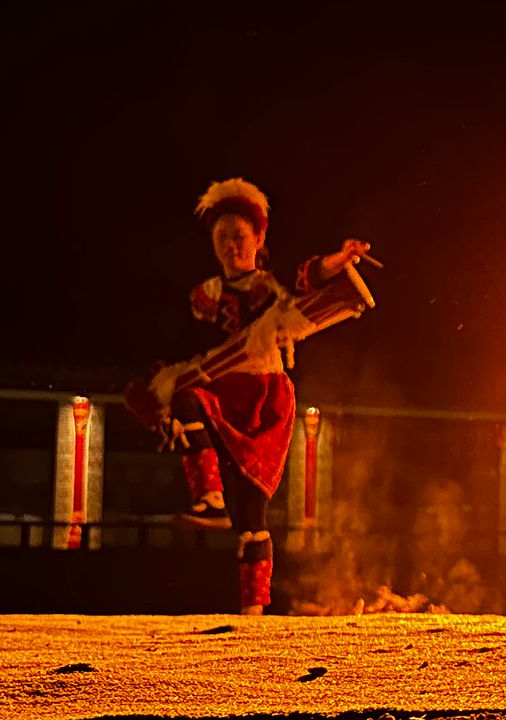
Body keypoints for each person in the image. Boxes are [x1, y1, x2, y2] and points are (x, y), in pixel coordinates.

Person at [148, 179, 371, 614]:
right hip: (221, 393)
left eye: (239, 237)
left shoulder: (272, 287)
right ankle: (211, 500)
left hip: (265, 399)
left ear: (258, 240)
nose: (231, 246)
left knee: (253, 513)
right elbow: (188, 350)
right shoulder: (204, 296)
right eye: (222, 238)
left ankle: (253, 611)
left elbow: (310, 277)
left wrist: (340, 259)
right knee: (187, 397)